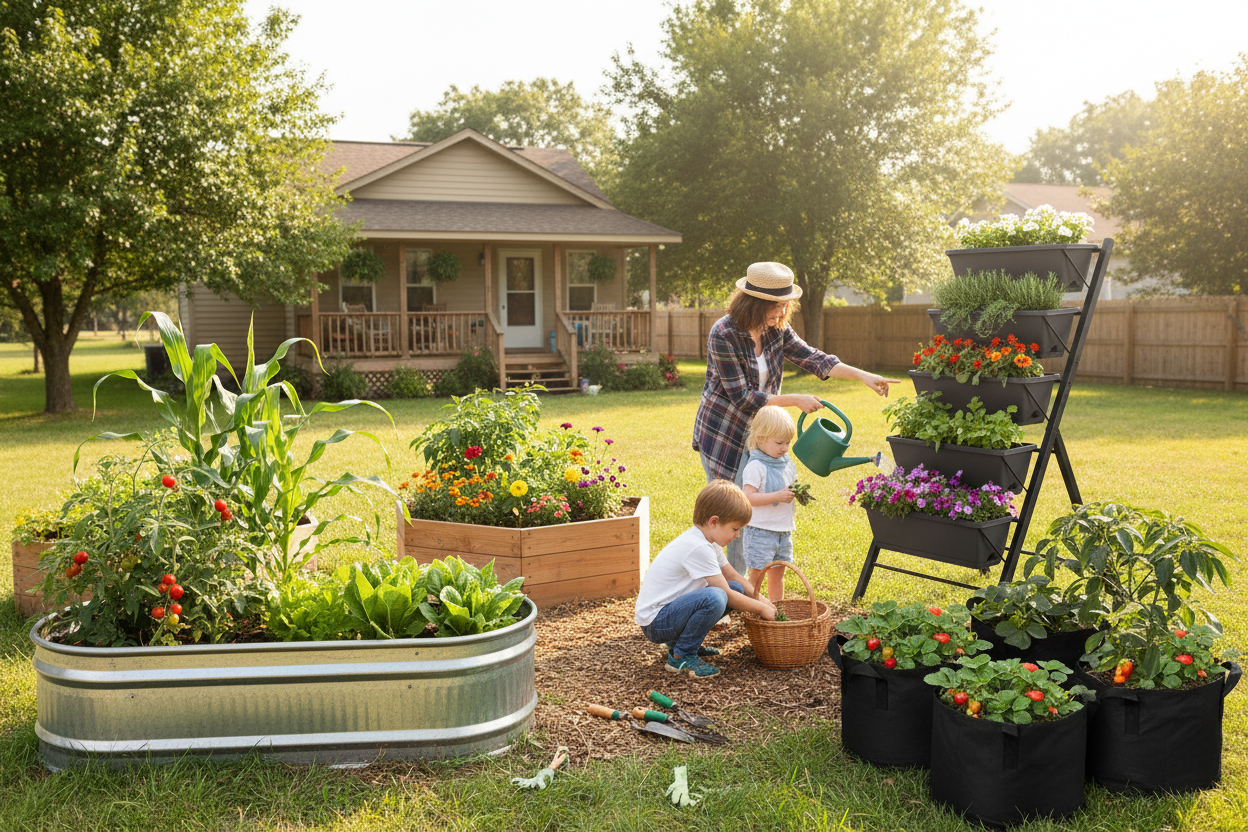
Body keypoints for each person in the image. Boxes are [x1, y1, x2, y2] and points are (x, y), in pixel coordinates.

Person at [693, 261, 901, 572]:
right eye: (774, 307)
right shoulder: (723, 333)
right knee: (730, 516)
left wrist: (862, 375)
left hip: (762, 435)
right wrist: (795, 400)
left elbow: (814, 358)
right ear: (754, 303)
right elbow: (742, 397)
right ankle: (725, 592)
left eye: (784, 307)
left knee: (753, 517)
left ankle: (747, 593)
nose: (780, 314)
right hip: (725, 433)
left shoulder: (775, 329)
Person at [634, 479, 777, 679]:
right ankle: (681, 655)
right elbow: (726, 595)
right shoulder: (698, 547)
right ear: (714, 522)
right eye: (735, 529)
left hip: (668, 614)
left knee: (734, 587)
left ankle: (683, 643)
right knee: (716, 597)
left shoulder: (708, 542)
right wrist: (761, 609)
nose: (737, 535)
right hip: (656, 623)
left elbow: (734, 577)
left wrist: (765, 601)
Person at [737, 406, 798, 603]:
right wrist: (777, 496)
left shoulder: (787, 463)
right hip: (760, 531)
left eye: (788, 442)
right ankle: (751, 607)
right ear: (760, 439)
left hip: (783, 530)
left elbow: (788, 488)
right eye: (779, 442)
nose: (785, 448)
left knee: (778, 573)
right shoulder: (756, 466)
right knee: (757, 573)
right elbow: (748, 497)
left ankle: (775, 609)